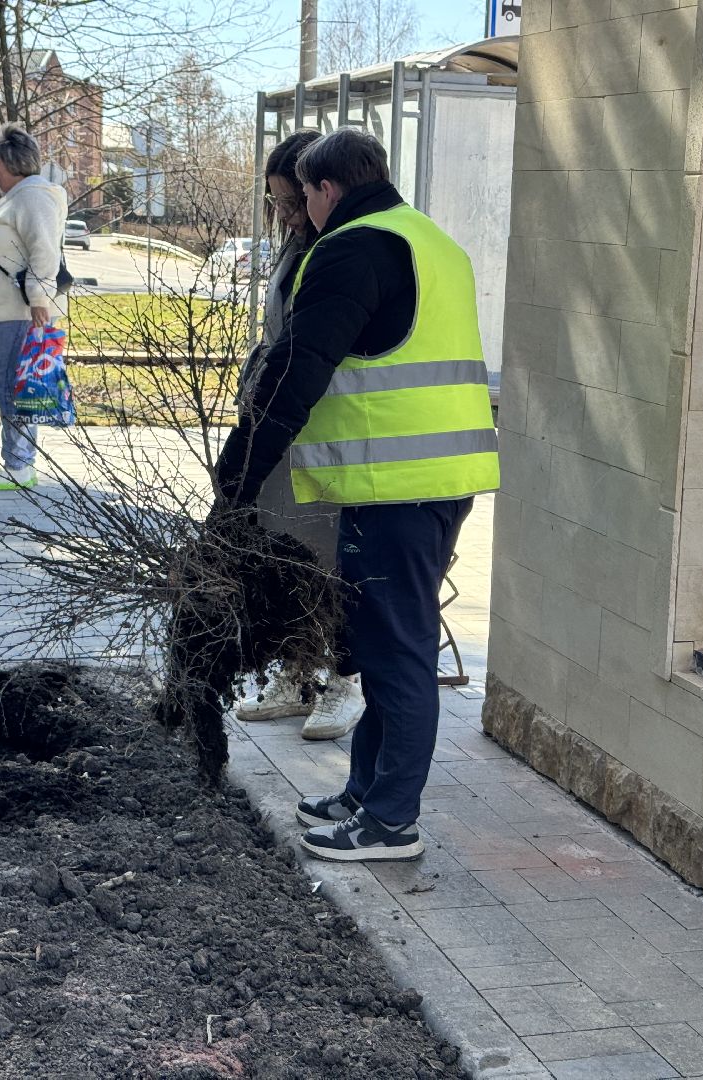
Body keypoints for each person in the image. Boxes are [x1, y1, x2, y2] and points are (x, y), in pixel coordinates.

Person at [214, 128, 499, 862]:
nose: (299, 212)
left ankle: (391, 823)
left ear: (326, 189)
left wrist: (237, 479)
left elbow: (295, 371)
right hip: (433, 480)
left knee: (397, 652)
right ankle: (365, 793)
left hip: (396, 486)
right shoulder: (427, 239)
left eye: (303, 196)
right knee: (378, 646)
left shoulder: (352, 247)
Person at [232, 130, 367, 742]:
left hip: (328, 435)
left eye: (292, 202)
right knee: (286, 555)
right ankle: (297, 670)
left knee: (331, 563)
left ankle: (344, 680)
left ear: (323, 191)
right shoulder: (296, 247)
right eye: (275, 205)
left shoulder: (345, 253)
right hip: (283, 431)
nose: (284, 216)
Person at [0, 122, 68, 490]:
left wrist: (40, 298)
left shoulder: (32, 197)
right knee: (13, 381)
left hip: (25, 309)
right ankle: (19, 462)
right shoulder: (21, 196)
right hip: (16, 308)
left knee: (12, 383)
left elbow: (44, 249)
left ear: (12, 163)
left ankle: (19, 465)